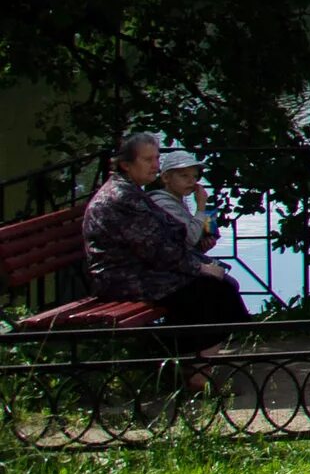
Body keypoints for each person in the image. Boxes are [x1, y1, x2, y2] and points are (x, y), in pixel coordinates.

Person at [83, 132, 249, 331]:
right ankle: (194, 355)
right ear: (126, 165)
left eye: (156, 158)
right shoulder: (123, 198)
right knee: (211, 289)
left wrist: (202, 254)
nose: (155, 165)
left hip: (141, 271)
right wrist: (199, 267)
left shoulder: (132, 191)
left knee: (218, 286)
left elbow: (165, 240)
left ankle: (198, 354)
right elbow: (156, 248)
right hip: (123, 279)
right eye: (148, 159)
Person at [149, 153, 217, 250]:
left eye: (195, 176)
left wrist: (203, 242)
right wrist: (201, 207)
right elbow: (190, 238)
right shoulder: (164, 204)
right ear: (166, 178)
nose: (191, 181)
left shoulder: (176, 201)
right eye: (184, 176)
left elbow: (186, 242)